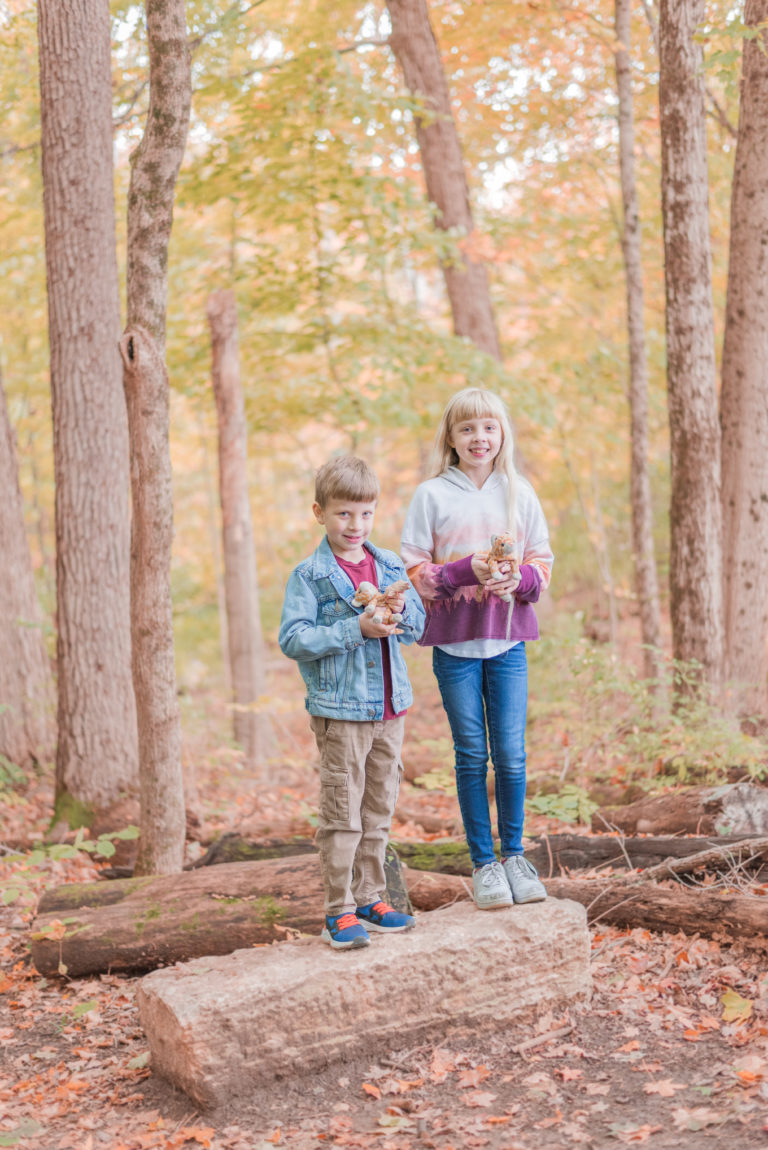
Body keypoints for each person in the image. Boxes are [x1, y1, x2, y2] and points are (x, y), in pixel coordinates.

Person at [401, 388, 553, 910]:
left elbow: (542, 563)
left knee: (510, 756)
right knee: (472, 756)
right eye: (467, 429)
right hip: (455, 648)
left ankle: (515, 855)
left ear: (502, 434)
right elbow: (414, 570)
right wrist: (466, 569)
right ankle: (484, 864)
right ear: (450, 438)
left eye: (488, 427)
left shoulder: (519, 492)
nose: (478, 438)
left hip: (506, 641)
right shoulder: (431, 496)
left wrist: (520, 583)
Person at [279, 455, 426, 949]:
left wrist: (401, 610)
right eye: (344, 513)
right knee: (343, 813)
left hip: (390, 709)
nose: (355, 525)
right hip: (342, 713)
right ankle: (338, 911)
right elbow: (294, 639)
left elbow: (420, 628)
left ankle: (371, 896)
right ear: (320, 512)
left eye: (365, 513)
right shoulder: (311, 576)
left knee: (379, 808)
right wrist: (353, 629)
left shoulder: (387, 565)